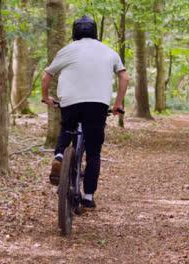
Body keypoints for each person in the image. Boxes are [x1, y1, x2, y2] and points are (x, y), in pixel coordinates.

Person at [41, 15, 129, 209]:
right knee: (94, 151)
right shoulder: (108, 51)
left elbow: (46, 77)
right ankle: (88, 196)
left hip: (71, 103)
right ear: (95, 31)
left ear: (74, 32)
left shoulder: (67, 50)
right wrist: (118, 104)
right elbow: (124, 77)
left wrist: (46, 98)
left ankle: (59, 157)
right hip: (98, 104)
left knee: (67, 127)